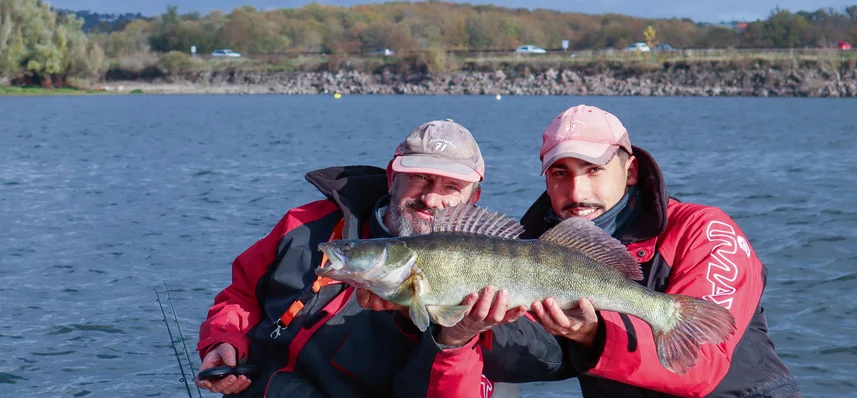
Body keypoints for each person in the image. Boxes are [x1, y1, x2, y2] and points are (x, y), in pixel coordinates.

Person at [194, 119, 558, 398]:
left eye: (451, 187)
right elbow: (241, 294)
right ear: (391, 177)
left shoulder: (491, 279)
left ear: (473, 199)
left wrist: (458, 335)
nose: (431, 199)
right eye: (419, 178)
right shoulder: (306, 224)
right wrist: (223, 341)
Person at [518, 105, 801, 397]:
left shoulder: (704, 229)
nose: (577, 192)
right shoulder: (534, 252)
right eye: (560, 173)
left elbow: (700, 362)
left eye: (594, 170)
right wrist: (469, 331)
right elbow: (524, 354)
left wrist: (596, 334)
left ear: (631, 171)